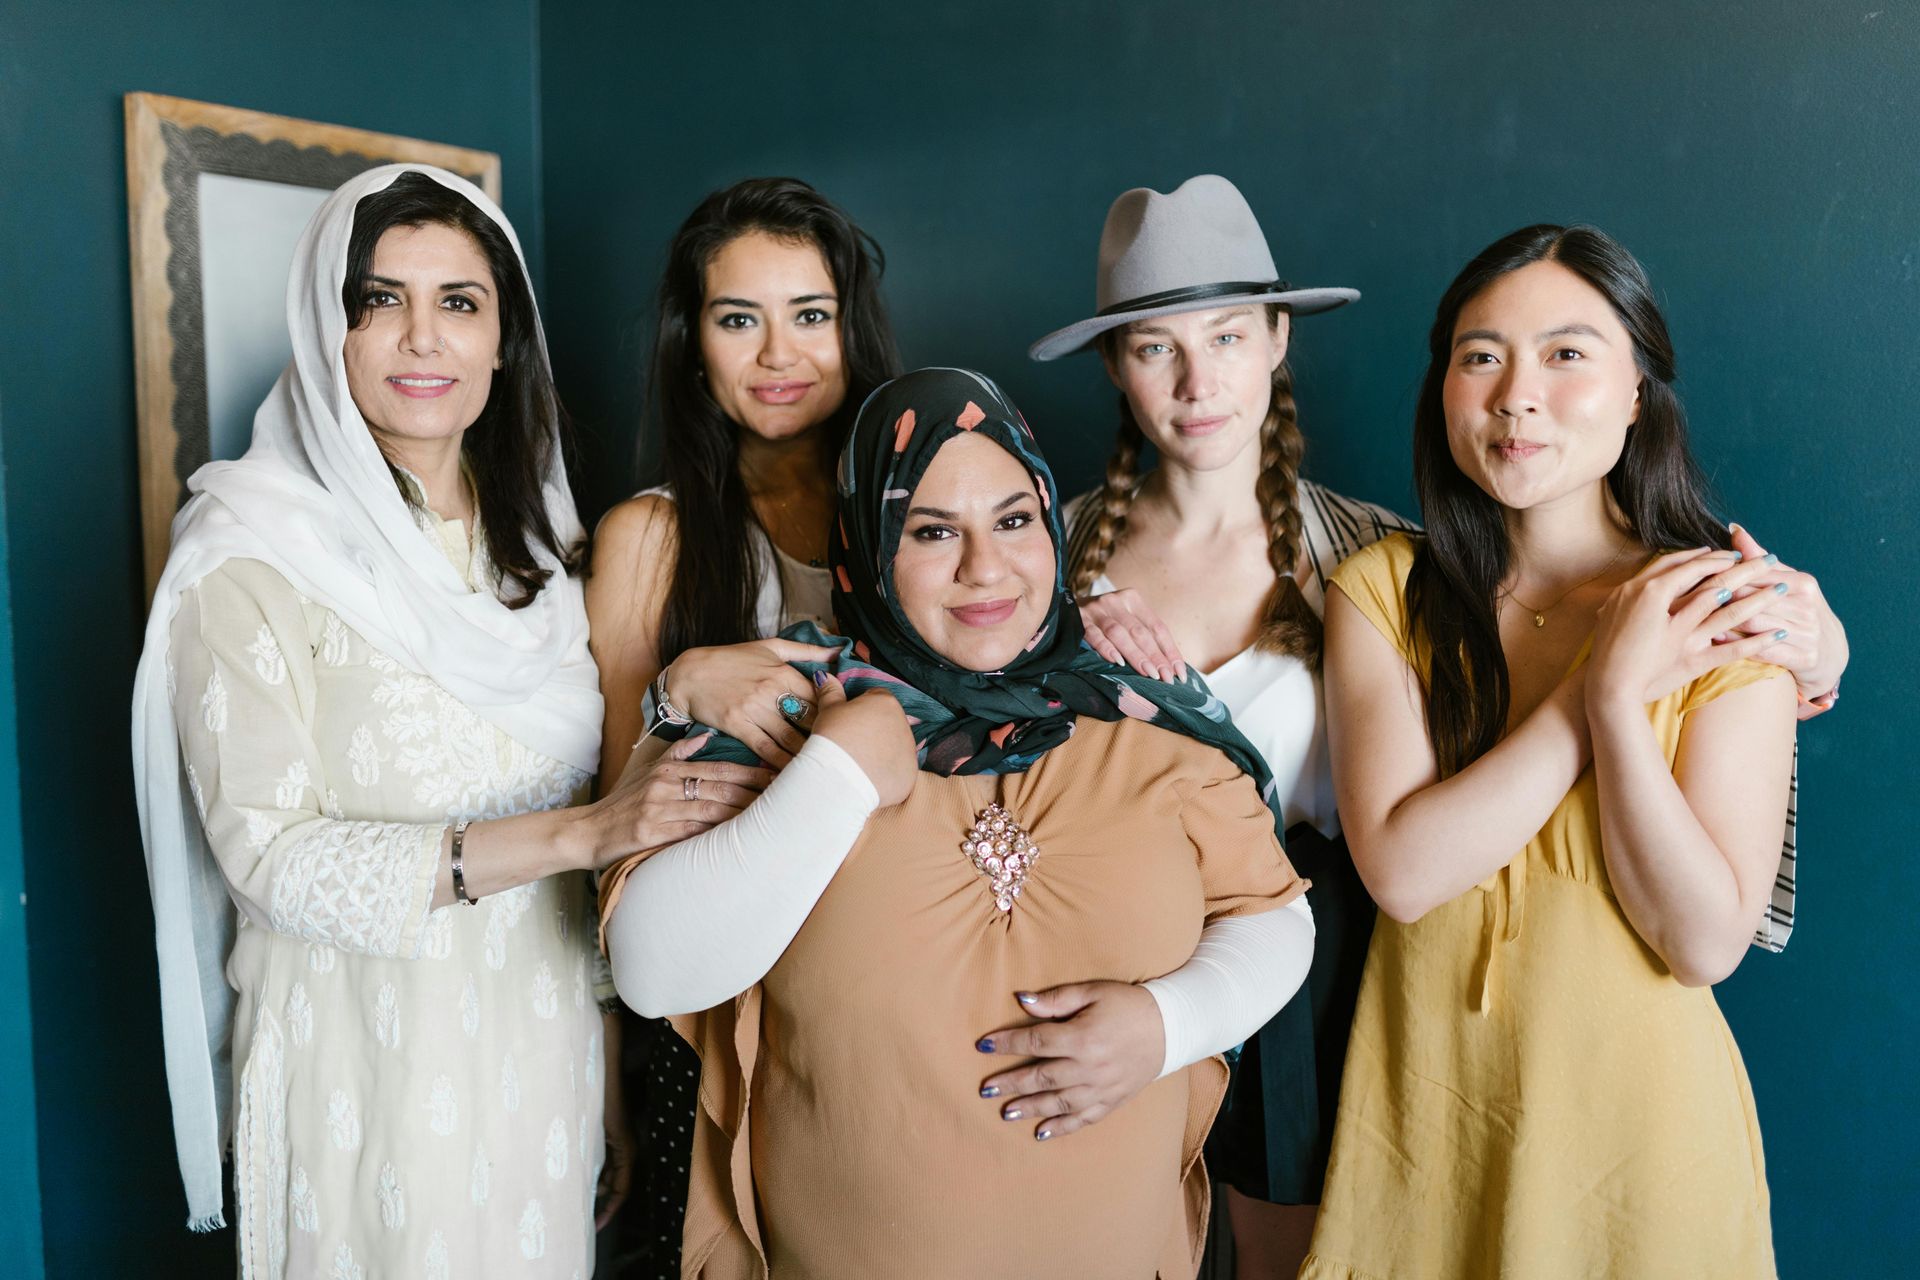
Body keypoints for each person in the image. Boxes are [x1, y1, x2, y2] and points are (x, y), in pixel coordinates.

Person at [1029, 176, 1847, 1276]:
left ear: (1277, 339)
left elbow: (1703, 933)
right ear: (1114, 365)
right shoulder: (1045, 558)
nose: (1517, 399)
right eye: (1152, 346)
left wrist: (1810, 650)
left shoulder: (1390, 555)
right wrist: (1048, 631)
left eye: (1226, 335)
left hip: (1365, 1015)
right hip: (1126, 984)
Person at [131, 166, 757, 1278]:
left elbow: (579, 819)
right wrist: (583, 834)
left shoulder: (542, 555)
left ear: (505, 339)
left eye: (459, 302)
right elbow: (269, 862)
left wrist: (608, 1065)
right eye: (380, 300)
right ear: (325, 328)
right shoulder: (251, 555)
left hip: (543, 1050)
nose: (423, 337)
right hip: (361, 1060)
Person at [600, 368, 1315, 1279]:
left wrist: (1169, 1023)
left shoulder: (1141, 702)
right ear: (867, 545)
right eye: (933, 531)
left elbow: (1275, 915)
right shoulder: (775, 708)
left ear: (1052, 524)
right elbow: (654, 971)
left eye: (1013, 521)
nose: (986, 567)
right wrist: (837, 773)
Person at [1303, 224, 1795, 1277]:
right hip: (1428, 1139)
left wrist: (1622, 704)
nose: (1516, 396)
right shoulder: (1383, 590)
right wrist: (1593, 687)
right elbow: (1404, 871)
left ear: (1637, 390)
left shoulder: (1721, 609)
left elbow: (1702, 941)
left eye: (1567, 353)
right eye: (1480, 356)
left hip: (1643, 1160)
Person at [583, 176, 901, 1274]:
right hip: (720, 1001)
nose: (778, 354)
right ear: (693, 345)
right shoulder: (649, 537)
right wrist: (677, 686)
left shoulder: (926, 518)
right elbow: (616, 828)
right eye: (737, 319)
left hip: (899, 978)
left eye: (809, 314)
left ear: (852, 331)